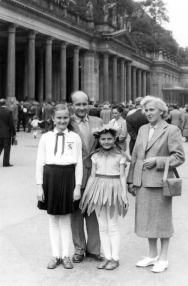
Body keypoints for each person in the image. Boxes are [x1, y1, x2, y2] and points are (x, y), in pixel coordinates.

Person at [127, 96, 185, 273]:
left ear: (162, 111)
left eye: (152, 110)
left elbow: (179, 157)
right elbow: (136, 156)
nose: (148, 113)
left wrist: (158, 161)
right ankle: (152, 255)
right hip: (143, 182)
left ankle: (163, 257)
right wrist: (131, 179)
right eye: (145, 110)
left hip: (160, 183)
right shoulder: (143, 129)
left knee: (162, 221)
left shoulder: (171, 130)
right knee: (147, 220)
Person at [36, 104, 83, 270]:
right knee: (53, 219)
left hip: (68, 176)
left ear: (69, 118)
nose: (62, 121)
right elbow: (40, 162)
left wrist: (77, 187)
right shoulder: (46, 137)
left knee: (65, 219)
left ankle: (65, 255)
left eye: (65, 118)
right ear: (53, 119)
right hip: (50, 177)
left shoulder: (75, 138)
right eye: (59, 118)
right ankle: (55, 255)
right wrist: (39, 186)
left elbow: (79, 164)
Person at [80, 125, 128, 270]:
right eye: (103, 139)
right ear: (99, 140)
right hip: (98, 190)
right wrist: (86, 196)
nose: (106, 141)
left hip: (114, 189)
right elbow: (92, 176)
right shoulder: (95, 156)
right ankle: (107, 256)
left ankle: (115, 258)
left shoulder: (120, 155)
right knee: (102, 226)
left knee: (112, 225)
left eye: (109, 139)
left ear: (114, 139)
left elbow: (122, 176)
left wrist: (124, 195)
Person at [70, 91, 104, 263]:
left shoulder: (98, 122)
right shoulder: (66, 123)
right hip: (74, 173)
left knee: (93, 211)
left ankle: (94, 249)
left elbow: (106, 144)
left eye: (85, 104)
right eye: (78, 104)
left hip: (95, 173)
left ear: (89, 104)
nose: (82, 107)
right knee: (76, 213)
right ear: (72, 106)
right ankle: (79, 249)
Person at [0, 99, 16, 167]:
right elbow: (11, 124)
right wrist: (14, 133)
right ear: (6, 103)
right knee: (7, 149)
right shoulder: (8, 111)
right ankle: (5, 163)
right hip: (6, 133)